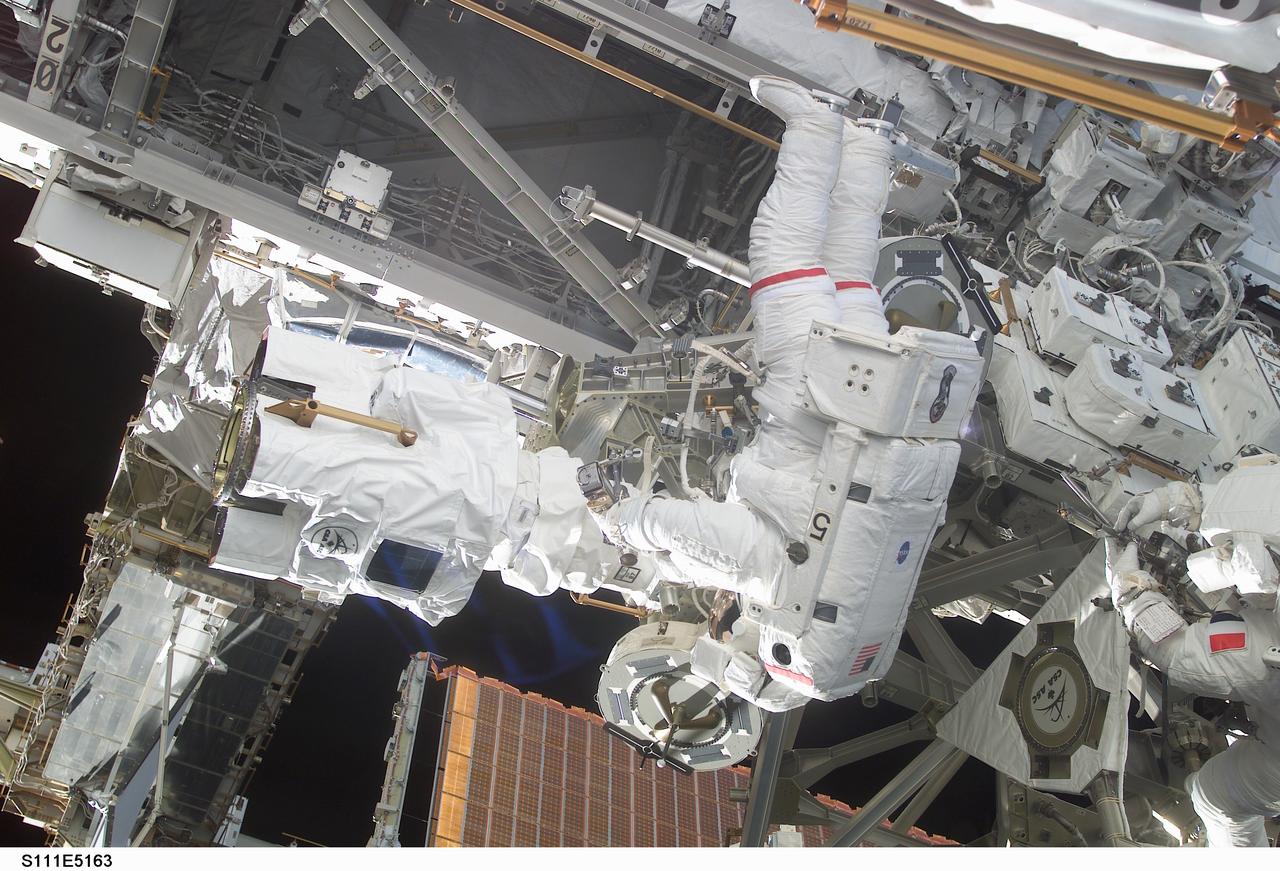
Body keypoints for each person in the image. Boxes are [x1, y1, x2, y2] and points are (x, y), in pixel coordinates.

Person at [597, 77, 977, 710]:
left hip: (875, 394)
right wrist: (624, 524)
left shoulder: (861, 587)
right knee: (785, 253)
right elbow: (684, 529)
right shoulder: (775, 579)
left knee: (848, 271)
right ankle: (813, 122)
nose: (719, 615)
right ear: (751, 641)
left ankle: (869, 139)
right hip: (814, 392)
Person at [1107, 455, 1280, 847]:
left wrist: (1131, 590)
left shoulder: (1260, 656)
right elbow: (1269, 498)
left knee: (1214, 797)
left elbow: (1174, 652)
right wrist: (1183, 499)